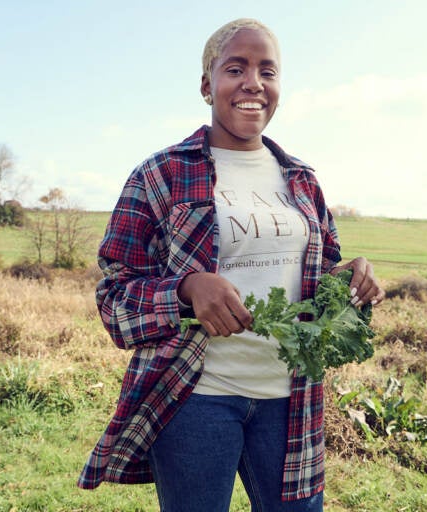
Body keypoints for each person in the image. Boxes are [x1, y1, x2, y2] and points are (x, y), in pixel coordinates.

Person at [78, 18, 385, 511]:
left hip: (290, 399)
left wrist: (348, 278)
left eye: (268, 71)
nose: (253, 84)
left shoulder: (302, 180)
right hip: (194, 396)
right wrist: (186, 289)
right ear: (207, 85)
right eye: (235, 68)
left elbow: (318, 275)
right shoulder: (162, 174)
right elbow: (113, 296)